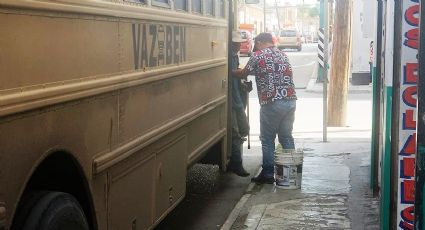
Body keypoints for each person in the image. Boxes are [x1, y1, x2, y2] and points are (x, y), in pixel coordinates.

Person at [233, 32, 297, 184]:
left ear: (261, 42)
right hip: (290, 101)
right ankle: (290, 174)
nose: (255, 47)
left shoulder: (258, 55)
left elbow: (243, 73)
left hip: (272, 102)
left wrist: (227, 71)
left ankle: (268, 174)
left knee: (267, 139)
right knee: (286, 137)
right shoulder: (282, 55)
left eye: (256, 43)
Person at [228, 31, 251, 177]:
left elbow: (235, 76)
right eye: (235, 43)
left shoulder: (234, 56)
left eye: (239, 44)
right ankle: (236, 164)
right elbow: (231, 73)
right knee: (237, 133)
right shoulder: (229, 56)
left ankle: (233, 161)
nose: (237, 46)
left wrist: (243, 85)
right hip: (231, 101)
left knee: (243, 129)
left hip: (237, 99)